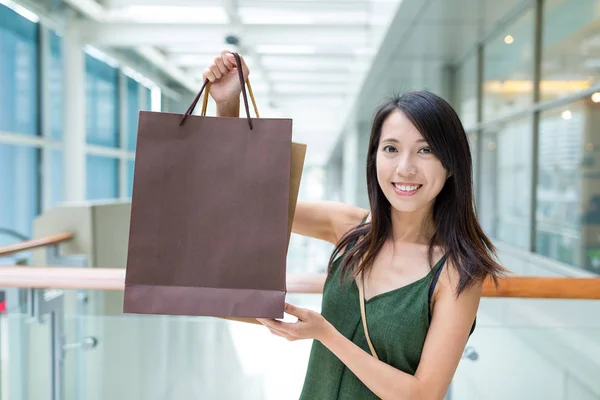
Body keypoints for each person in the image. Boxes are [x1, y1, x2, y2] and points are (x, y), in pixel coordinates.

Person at [203, 51, 506, 399]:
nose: (404, 168)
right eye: (391, 149)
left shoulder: (458, 272)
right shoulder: (349, 227)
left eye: (425, 151)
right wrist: (227, 106)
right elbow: (243, 204)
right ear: (374, 157)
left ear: (451, 165)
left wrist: (326, 334)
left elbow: (423, 395)